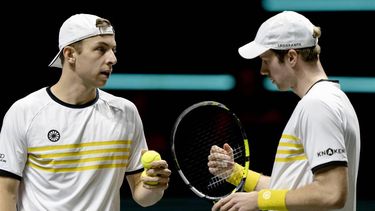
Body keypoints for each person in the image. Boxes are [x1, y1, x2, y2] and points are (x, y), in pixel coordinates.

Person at [0, 13, 171, 211]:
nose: (113, 59)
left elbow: (143, 197)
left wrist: (154, 185)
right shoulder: (24, 112)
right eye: (101, 49)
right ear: (70, 54)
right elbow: (6, 192)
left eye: (113, 50)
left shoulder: (126, 112)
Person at [208, 11, 360, 211]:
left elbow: (331, 193)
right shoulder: (328, 99)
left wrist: (260, 199)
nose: (262, 70)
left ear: (291, 57)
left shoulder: (318, 105)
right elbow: (295, 189)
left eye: (266, 59)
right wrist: (236, 173)